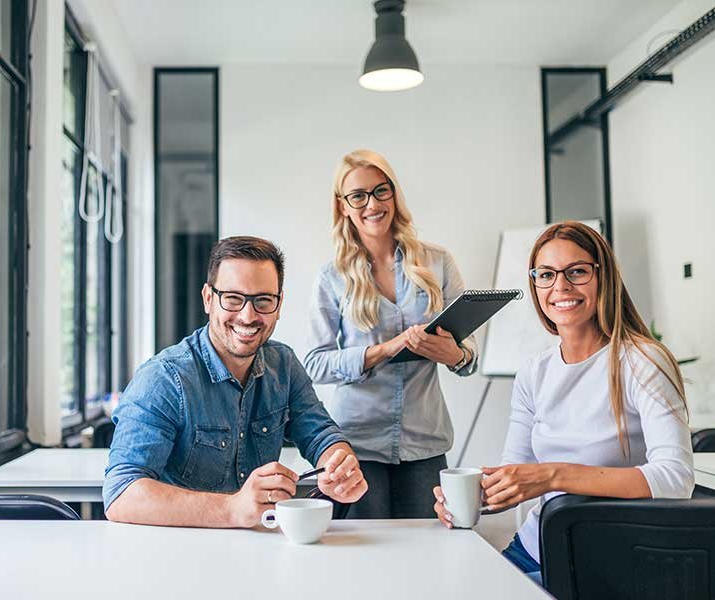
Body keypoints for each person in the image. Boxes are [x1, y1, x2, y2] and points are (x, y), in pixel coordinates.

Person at [433, 221, 694, 584]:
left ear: (603, 276)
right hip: (539, 542)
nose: (561, 286)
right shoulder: (534, 373)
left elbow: (675, 478)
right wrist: (473, 496)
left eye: (577, 271)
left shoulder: (641, 361)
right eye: (546, 274)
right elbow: (517, 472)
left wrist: (553, 475)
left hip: (616, 552)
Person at [104, 236, 367, 527]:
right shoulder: (163, 378)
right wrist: (232, 508)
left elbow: (321, 435)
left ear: (279, 305)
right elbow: (121, 495)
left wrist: (339, 464)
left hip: (259, 549)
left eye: (263, 300)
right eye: (233, 298)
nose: (247, 315)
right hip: (177, 555)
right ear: (208, 299)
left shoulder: (284, 365)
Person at [304, 149, 478, 519]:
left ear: (394, 194)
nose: (372, 204)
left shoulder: (438, 262)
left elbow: (470, 353)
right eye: (359, 196)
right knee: (364, 556)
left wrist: (455, 355)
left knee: (427, 553)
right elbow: (314, 365)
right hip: (356, 443)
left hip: (424, 441)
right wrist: (383, 351)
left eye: (381, 191)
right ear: (343, 206)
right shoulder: (331, 276)